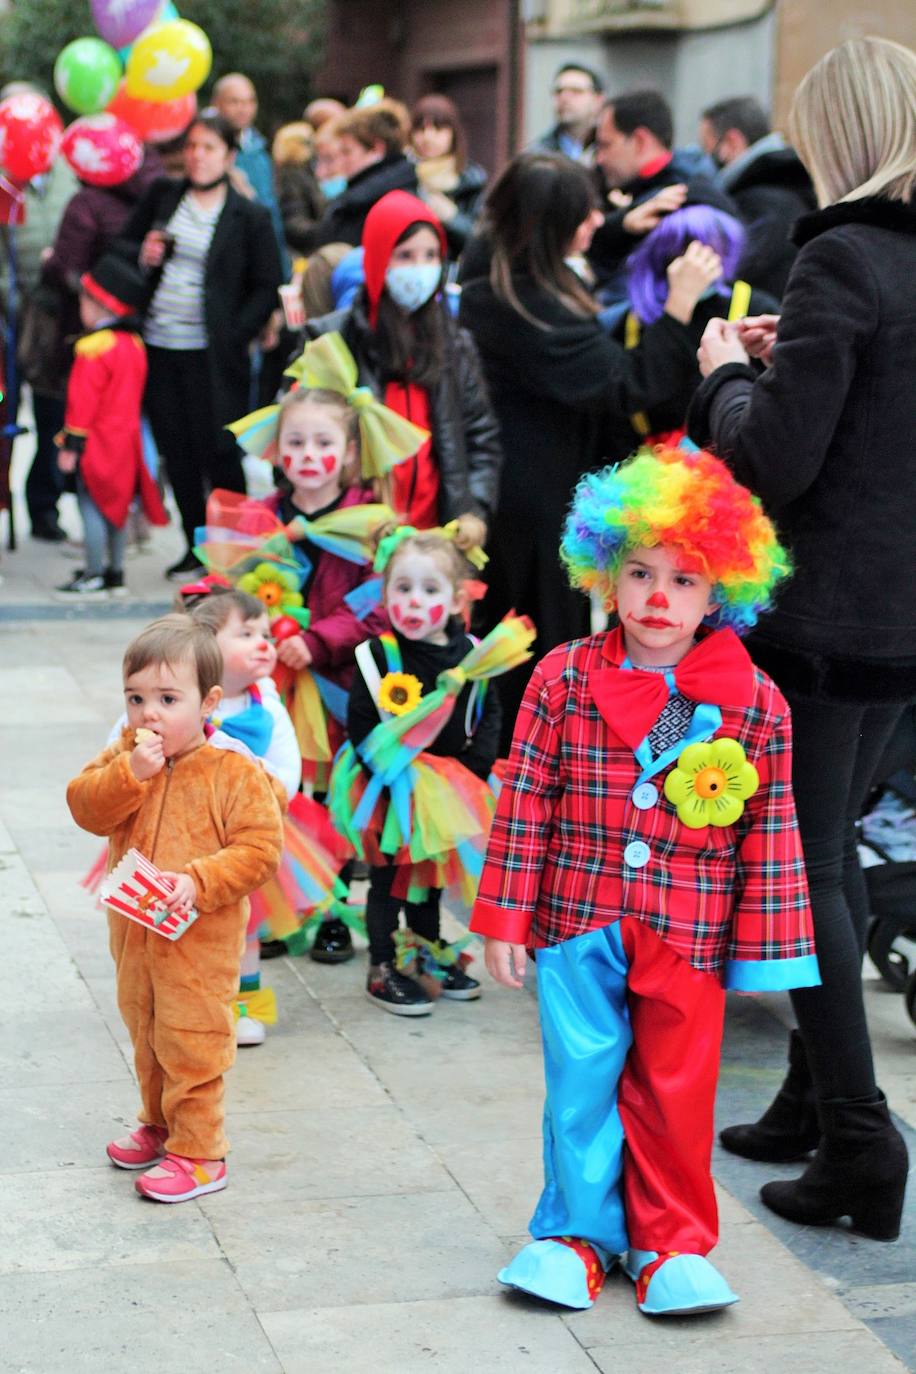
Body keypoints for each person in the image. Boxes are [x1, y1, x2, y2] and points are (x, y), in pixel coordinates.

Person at [471, 447, 818, 1314]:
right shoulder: (560, 676)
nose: (659, 598)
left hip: (689, 932)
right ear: (605, 572)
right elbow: (525, 802)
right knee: (580, 1082)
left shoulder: (756, 701)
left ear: (722, 593)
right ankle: (578, 1236)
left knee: (677, 1089)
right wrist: (504, 917)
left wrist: (764, 954)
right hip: (575, 920)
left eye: (686, 580)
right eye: (639, 572)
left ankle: (669, 1245)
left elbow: (770, 831)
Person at [689, 35, 914, 1241]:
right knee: (831, 853)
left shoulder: (841, 258)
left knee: (807, 867)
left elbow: (769, 462)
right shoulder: (877, 269)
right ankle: (809, 1107)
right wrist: (789, 364)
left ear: (845, 137)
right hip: (900, 623)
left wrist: (724, 370)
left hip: (826, 620)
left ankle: (863, 1146)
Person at [458, 153, 723, 746]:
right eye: (586, 215)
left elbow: (562, 259)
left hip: (509, 487)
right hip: (536, 502)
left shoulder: (493, 272)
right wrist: (680, 303)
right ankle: (530, 759)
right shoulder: (535, 312)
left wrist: (612, 233)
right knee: (540, 639)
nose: (598, 220)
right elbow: (629, 381)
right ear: (555, 230)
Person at [66, 615, 283, 1202]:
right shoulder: (126, 755)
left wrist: (200, 880)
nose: (148, 714)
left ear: (208, 702)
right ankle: (159, 1123)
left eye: (167, 698)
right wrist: (126, 776)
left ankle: (202, 1151)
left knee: (194, 1038)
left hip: (199, 941)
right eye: (136, 698)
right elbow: (84, 808)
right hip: (134, 932)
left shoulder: (234, 769)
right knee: (146, 1030)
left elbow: (261, 850)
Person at [330, 529, 534, 1014]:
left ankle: (425, 953)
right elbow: (360, 720)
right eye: (402, 588)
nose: (414, 601)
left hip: (450, 785)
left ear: (457, 597)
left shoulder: (471, 653)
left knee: (429, 880)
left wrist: (474, 769)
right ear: (384, 594)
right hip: (388, 784)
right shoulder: (377, 654)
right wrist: (387, 771)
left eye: (429, 590)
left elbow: (488, 710)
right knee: (387, 880)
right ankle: (382, 966)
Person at [120, 113, 283, 579]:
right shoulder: (164, 197)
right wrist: (143, 255)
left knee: (219, 448)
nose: (197, 155)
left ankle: (231, 551)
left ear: (230, 157)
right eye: (192, 146)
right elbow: (123, 244)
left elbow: (267, 282)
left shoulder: (247, 214)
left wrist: (236, 333)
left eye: (209, 147)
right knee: (177, 449)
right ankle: (194, 543)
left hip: (213, 353)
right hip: (160, 343)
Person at [305, 189, 502, 541]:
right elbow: (295, 433)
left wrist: (474, 510)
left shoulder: (454, 344)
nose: (420, 269)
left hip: (433, 542)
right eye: (405, 256)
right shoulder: (331, 340)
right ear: (379, 260)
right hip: (354, 539)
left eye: (431, 256)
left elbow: (480, 435)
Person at [52, 256, 168, 601]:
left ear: (100, 306)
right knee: (118, 509)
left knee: (90, 507)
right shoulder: (134, 345)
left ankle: (92, 575)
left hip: (96, 443)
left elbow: (81, 405)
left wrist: (71, 447)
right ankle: (116, 574)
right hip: (127, 442)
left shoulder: (92, 348)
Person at [611, 202, 777, 442]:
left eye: (709, 248)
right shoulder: (634, 319)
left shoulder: (754, 309)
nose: (695, 260)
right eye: (680, 248)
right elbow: (629, 394)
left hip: (735, 454)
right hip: (654, 464)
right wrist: (679, 303)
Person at [589, 89, 736, 294]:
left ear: (640, 141)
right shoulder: (630, 189)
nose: (600, 158)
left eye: (606, 145)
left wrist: (620, 227)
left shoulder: (683, 199)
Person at [699, 96, 816, 298]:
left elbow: (736, 269)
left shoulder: (764, 200)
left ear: (732, 142)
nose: (704, 160)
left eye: (707, 149)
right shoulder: (780, 184)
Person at [311, 100, 418, 247]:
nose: (341, 162)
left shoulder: (369, 201)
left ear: (377, 149)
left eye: (347, 152)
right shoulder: (361, 196)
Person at [211, 71, 288, 273]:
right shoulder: (200, 152)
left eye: (249, 102)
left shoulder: (260, 151)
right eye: (234, 102)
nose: (243, 109)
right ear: (216, 104)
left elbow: (272, 215)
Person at [410, 94, 487, 261]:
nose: (427, 137)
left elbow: (482, 241)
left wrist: (452, 217)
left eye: (438, 128)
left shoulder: (472, 180)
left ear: (453, 133)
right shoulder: (403, 176)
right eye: (420, 129)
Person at [531, 63, 604, 164]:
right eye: (559, 91)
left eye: (576, 91)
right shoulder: (537, 157)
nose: (564, 98)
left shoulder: (611, 151)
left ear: (598, 100)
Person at [272, 121, 325, 257]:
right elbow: (294, 221)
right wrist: (327, 231)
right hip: (302, 253)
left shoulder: (304, 173)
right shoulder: (290, 177)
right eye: (308, 142)